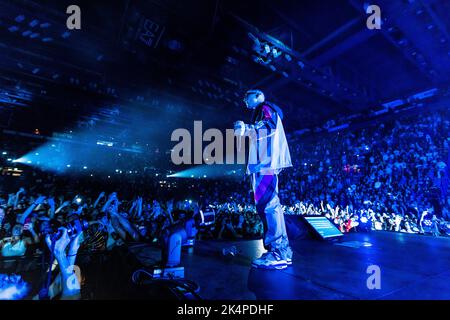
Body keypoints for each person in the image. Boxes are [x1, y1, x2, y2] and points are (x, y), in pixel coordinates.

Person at [234, 89, 293, 269]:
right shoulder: (260, 111)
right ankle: (280, 251)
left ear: (258, 96)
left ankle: (278, 252)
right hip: (262, 165)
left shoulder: (265, 107)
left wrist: (246, 128)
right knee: (265, 205)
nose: (244, 99)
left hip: (265, 165)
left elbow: (270, 125)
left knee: (268, 205)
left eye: (247, 96)